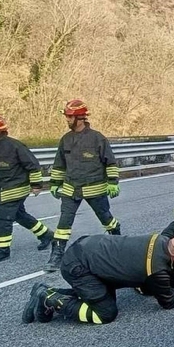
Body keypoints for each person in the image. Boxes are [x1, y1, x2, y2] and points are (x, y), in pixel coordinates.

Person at [23, 233, 174, 325]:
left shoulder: (162, 240)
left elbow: (173, 274)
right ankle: (50, 299)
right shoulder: (156, 269)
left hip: (90, 249)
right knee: (105, 313)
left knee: (98, 296)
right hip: (79, 266)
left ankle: (47, 291)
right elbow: (168, 302)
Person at [45, 99, 121, 272]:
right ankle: (56, 255)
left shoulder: (97, 138)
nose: (67, 120)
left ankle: (117, 238)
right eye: (67, 116)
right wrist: (55, 183)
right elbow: (59, 164)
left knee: (106, 219)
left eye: (70, 117)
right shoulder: (65, 139)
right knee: (64, 222)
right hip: (71, 188)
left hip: (95, 188)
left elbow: (110, 162)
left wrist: (112, 183)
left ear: (80, 118)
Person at [0, 114, 54, 264]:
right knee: (19, 215)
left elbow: (33, 165)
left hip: (15, 187)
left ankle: (2, 251)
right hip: (1, 188)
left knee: (2, 220)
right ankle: (46, 235)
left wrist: (36, 185)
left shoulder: (14, 146)